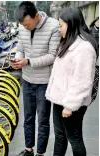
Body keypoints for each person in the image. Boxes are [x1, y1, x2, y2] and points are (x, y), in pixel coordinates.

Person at [45, 8, 98, 156]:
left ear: (72, 24)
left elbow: (82, 81)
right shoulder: (68, 42)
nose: (59, 28)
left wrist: (70, 106)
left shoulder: (84, 48)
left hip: (71, 103)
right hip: (59, 98)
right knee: (60, 136)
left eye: (61, 25)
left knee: (74, 139)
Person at [10, 1, 61, 156]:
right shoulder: (22, 27)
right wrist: (18, 60)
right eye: (23, 25)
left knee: (43, 120)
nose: (25, 27)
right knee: (28, 117)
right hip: (27, 79)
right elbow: (20, 48)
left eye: (27, 24)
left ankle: (40, 153)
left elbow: (52, 56)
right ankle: (28, 149)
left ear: (36, 15)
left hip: (44, 82)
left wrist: (29, 62)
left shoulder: (53, 26)